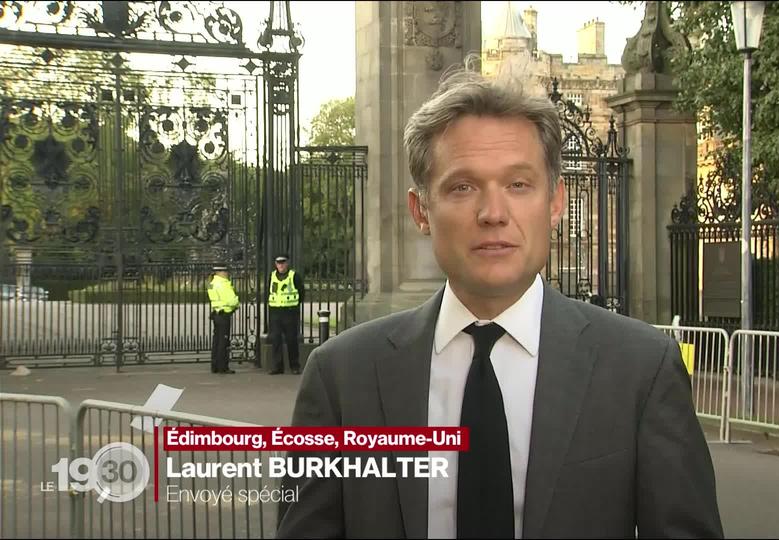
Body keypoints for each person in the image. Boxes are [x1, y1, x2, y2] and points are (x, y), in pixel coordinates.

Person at [277, 67, 723, 538]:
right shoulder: (342, 378)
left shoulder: (640, 369)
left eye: (518, 185)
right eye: (463, 187)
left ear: (555, 203)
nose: (493, 214)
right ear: (421, 210)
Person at [267, 253, 304, 375]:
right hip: (276, 312)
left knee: (291, 340)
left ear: (287, 263)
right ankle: (277, 366)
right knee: (276, 340)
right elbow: (269, 292)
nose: (281, 265)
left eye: (283, 263)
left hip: (290, 312)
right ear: (275, 264)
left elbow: (301, 292)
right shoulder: (272, 276)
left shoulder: (294, 276)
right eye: (279, 263)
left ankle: (294, 366)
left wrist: (294, 306)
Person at [207, 263, 239, 374]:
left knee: (216, 340)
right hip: (224, 314)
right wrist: (237, 302)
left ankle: (214, 365)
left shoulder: (211, 283)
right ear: (220, 272)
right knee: (223, 342)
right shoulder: (223, 283)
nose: (227, 273)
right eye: (225, 271)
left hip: (216, 313)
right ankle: (222, 366)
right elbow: (231, 300)